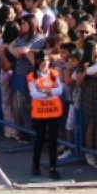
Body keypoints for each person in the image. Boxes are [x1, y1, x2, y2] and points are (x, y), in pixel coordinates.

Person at [28, 48, 64, 179]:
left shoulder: (54, 74)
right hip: (39, 112)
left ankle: (53, 167)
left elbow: (59, 90)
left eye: (48, 60)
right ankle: (35, 165)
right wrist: (50, 91)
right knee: (40, 138)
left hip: (54, 111)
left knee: (53, 140)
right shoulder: (32, 76)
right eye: (43, 60)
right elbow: (34, 94)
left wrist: (44, 90)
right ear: (38, 61)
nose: (46, 62)